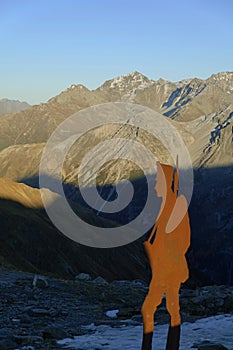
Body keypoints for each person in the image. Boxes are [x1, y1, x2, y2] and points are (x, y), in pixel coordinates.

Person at [141, 161, 191, 350]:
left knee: (152, 308)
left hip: (168, 268)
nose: (154, 185)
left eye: (157, 181)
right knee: (171, 308)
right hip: (165, 267)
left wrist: (170, 257)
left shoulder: (176, 205)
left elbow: (185, 239)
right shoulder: (166, 206)